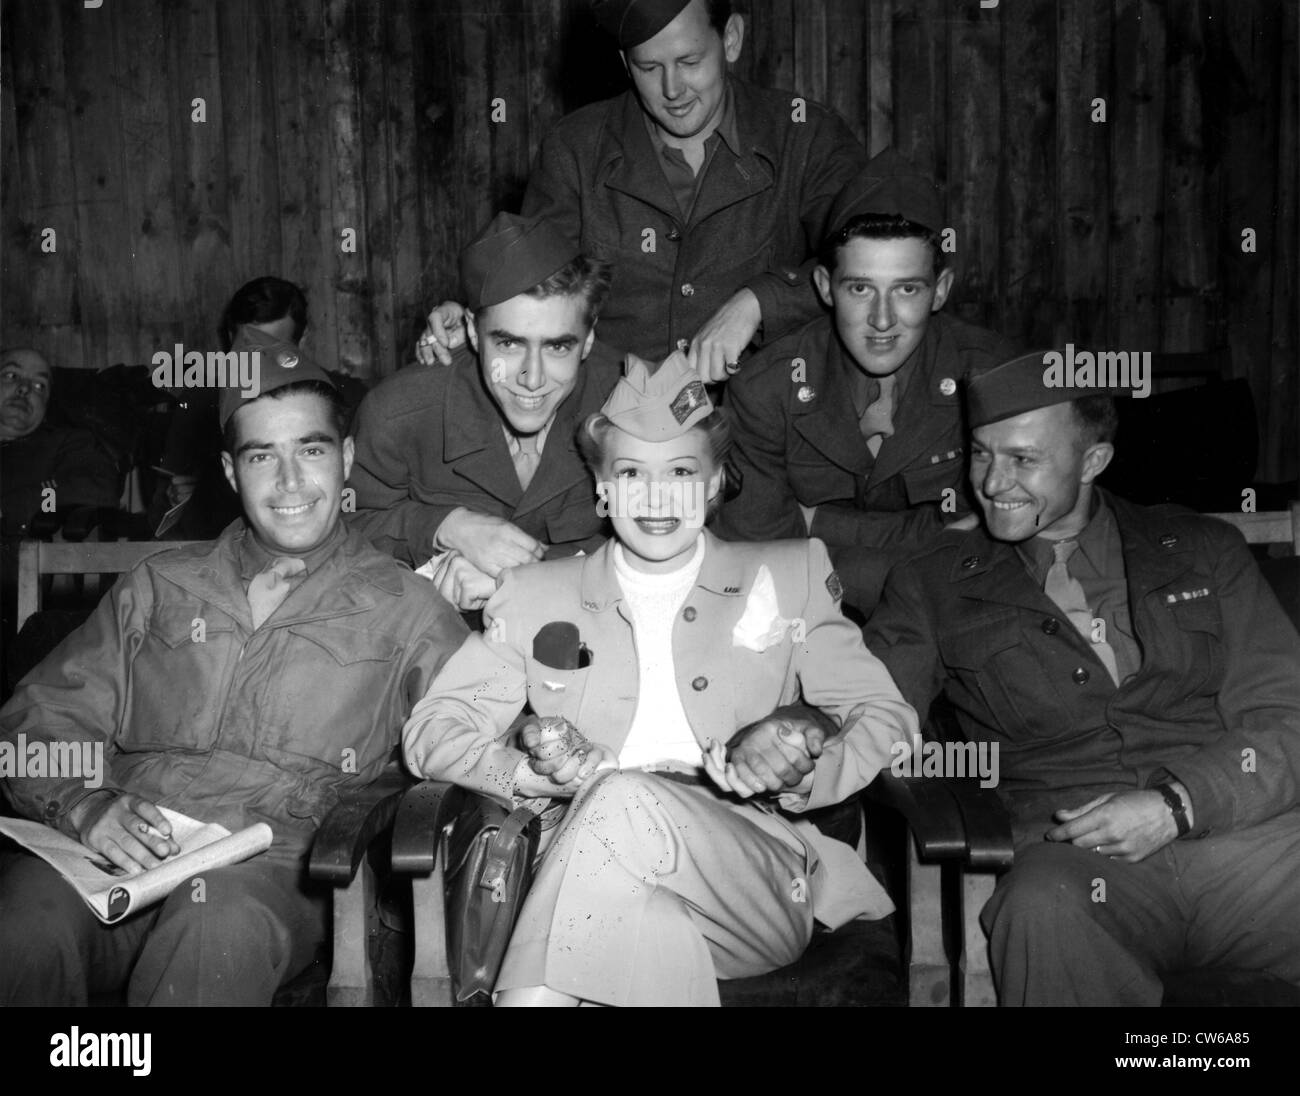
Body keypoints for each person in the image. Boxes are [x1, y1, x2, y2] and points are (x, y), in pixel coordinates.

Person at [403, 352, 918, 1006]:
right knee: (641, 931)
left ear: (712, 485)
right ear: (601, 489)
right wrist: (529, 775)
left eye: (680, 472)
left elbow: (885, 715)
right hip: (582, 872)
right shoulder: (532, 597)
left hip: (752, 877)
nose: (655, 498)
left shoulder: (790, 574)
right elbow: (432, 732)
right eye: (629, 474)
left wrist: (803, 763)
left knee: (621, 796)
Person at [0, 333, 468, 1006]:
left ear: (346, 459)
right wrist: (83, 803)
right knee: (21, 920)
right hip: (117, 853)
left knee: (216, 922)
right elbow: (37, 723)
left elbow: (480, 733)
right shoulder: (160, 584)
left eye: (309, 450)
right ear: (228, 471)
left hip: (270, 869)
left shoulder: (408, 608)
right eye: (261, 457)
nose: (289, 483)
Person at [861, 350, 1300, 1006]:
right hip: (1074, 860)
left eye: (1023, 459)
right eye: (981, 454)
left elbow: (1287, 713)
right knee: (1041, 910)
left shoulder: (1203, 548)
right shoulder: (935, 578)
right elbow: (873, 710)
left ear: (1093, 461)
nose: (993, 482)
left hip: (1245, 845)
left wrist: (1178, 805)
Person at [414, 0, 867, 380]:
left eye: (690, 62)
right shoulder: (575, 149)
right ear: (624, 63)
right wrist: (479, 319)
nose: (673, 89)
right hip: (610, 426)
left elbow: (871, 270)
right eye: (649, 67)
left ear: (731, 39)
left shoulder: (806, 134)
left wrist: (759, 302)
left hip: (767, 431)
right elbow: (537, 288)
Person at [714, 150, 1017, 614]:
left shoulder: (989, 376)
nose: (881, 319)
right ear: (823, 286)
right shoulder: (766, 388)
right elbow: (761, 554)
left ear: (939, 291)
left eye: (906, 289)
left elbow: (996, 536)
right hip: (802, 618)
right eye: (860, 288)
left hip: (960, 614)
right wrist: (913, 559)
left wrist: (816, 523)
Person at [349, 213, 622, 612]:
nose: (532, 378)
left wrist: (526, 581)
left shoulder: (627, 400)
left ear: (589, 339)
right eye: (509, 344)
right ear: (474, 332)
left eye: (558, 347)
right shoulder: (399, 412)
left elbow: (677, 531)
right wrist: (445, 527)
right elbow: (342, 528)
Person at [151, 276, 310, 540]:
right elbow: (159, 517)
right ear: (229, 339)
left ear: (301, 341)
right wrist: (179, 500)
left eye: (273, 350)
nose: (260, 362)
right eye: (247, 348)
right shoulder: (201, 404)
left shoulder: (333, 399)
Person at [0, 347, 120, 539]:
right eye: (11, 375)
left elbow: (100, 488)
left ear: (46, 405)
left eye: (39, 385)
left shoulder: (65, 443)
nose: (24, 388)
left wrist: (13, 504)